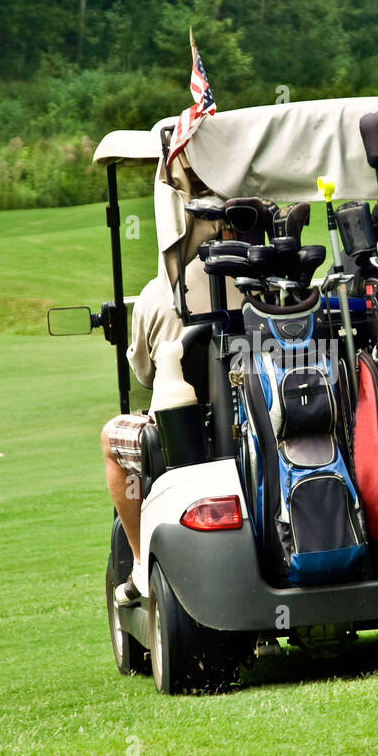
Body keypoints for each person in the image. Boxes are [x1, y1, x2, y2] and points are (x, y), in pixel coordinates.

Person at [102, 198, 241, 606]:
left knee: (111, 438)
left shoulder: (157, 294)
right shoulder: (263, 286)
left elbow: (146, 375)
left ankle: (141, 562)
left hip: (182, 433)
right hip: (254, 421)